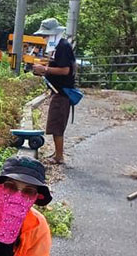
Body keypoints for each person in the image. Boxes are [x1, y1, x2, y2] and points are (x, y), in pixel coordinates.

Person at [31, 18, 76, 165]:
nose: (44, 38)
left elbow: (65, 70)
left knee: (57, 124)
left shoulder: (62, 47)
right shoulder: (57, 46)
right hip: (58, 91)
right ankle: (57, 153)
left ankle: (59, 157)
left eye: (45, 35)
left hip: (62, 92)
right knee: (55, 122)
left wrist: (44, 69)